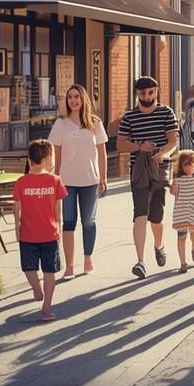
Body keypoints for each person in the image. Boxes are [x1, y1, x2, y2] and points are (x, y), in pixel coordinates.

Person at [118, 75, 178, 279]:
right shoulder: (129, 117)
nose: (147, 96)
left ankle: (159, 245)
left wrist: (163, 154)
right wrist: (139, 147)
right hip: (139, 171)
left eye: (151, 92)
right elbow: (120, 144)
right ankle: (140, 261)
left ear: (156, 91)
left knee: (156, 217)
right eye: (143, 93)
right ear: (137, 94)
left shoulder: (166, 113)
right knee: (140, 215)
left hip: (160, 169)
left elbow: (173, 141)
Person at [48, 84, 107, 278]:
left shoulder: (95, 123)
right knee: (69, 222)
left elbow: (102, 152)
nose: (73, 100)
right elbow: (56, 153)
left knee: (89, 221)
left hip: (91, 180)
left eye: (77, 97)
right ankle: (70, 266)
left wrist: (103, 178)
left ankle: (88, 258)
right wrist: (55, 178)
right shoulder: (60, 124)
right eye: (70, 97)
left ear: (83, 99)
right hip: (67, 182)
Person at [13, 139, 68, 321]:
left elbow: (17, 208)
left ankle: (36, 289)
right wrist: (59, 226)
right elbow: (57, 208)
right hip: (50, 233)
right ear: (46, 159)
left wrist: (16, 228)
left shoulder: (21, 182)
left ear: (30, 159)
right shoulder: (55, 181)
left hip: (27, 233)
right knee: (49, 271)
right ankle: (47, 308)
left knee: (29, 267)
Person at [170, 150, 194, 273]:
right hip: (181, 214)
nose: (189, 167)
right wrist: (173, 183)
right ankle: (183, 263)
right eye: (186, 164)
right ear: (181, 166)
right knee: (181, 237)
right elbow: (173, 192)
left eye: (192, 164)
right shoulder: (178, 180)